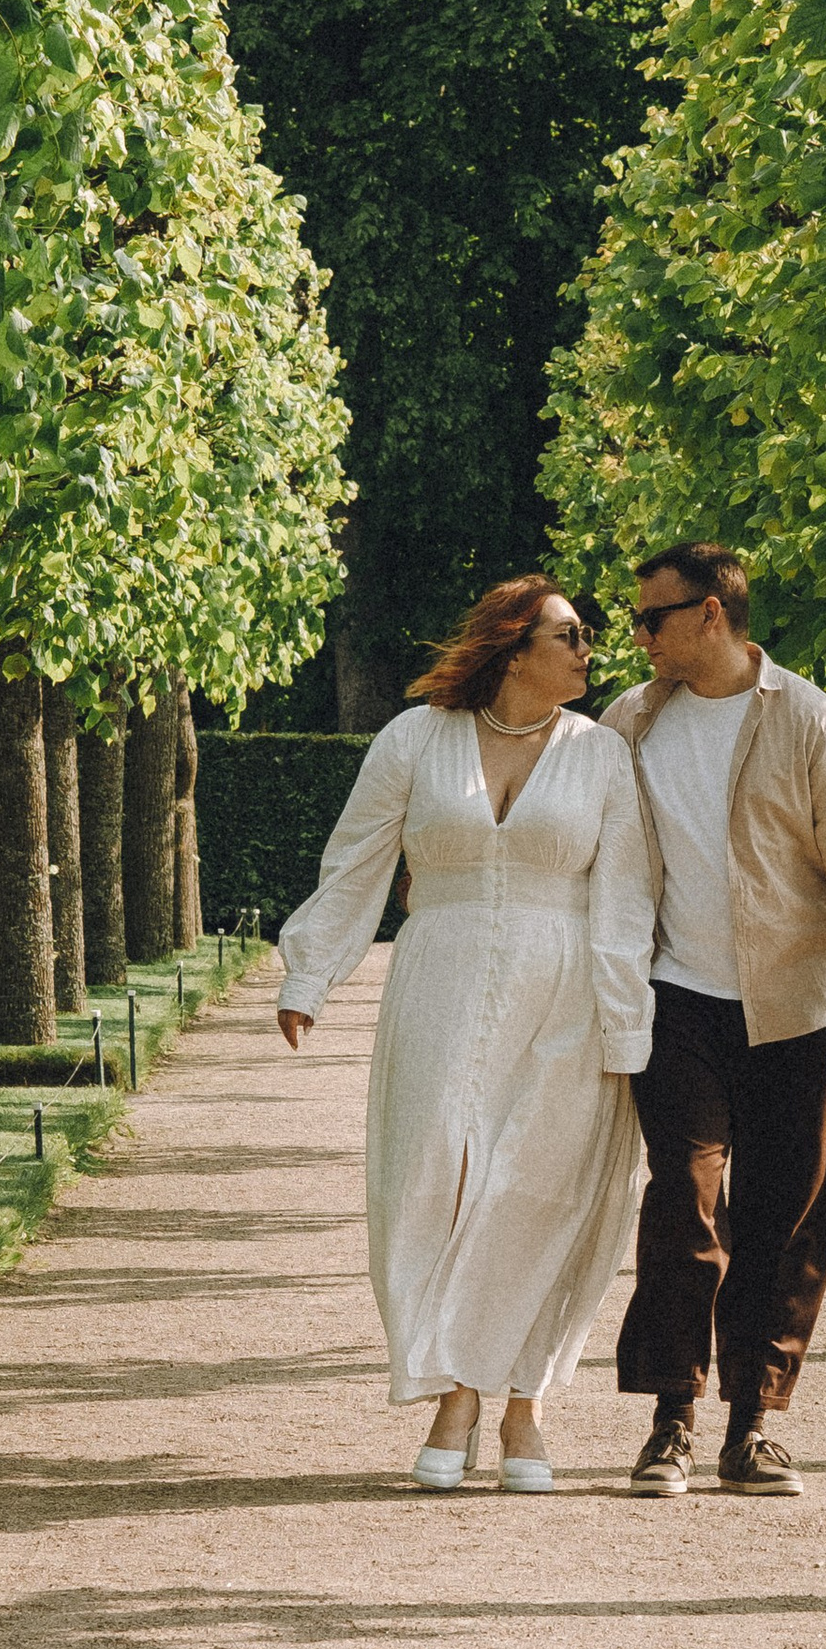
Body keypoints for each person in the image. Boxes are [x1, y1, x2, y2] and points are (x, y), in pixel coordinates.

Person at [275, 577, 653, 1493]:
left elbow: (626, 900)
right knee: (431, 1181)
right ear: (514, 648)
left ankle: (517, 1403)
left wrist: (627, 1029)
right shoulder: (414, 738)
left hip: (567, 992)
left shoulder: (602, 755)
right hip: (437, 983)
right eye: (571, 633)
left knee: (538, 1190)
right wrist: (309, 974)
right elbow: (356, 860)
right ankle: (454, 1387)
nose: (589, 648)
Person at [604, 543, 826, 1499]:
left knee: (784, 1218)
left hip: (799, 1008)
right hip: (675, 1000)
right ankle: (671, 1420)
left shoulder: (814, 722)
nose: (640, 636)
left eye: (652, 618)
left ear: (710, 614)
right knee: (683, 1202)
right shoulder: (629, 722)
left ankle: (753, 1428)